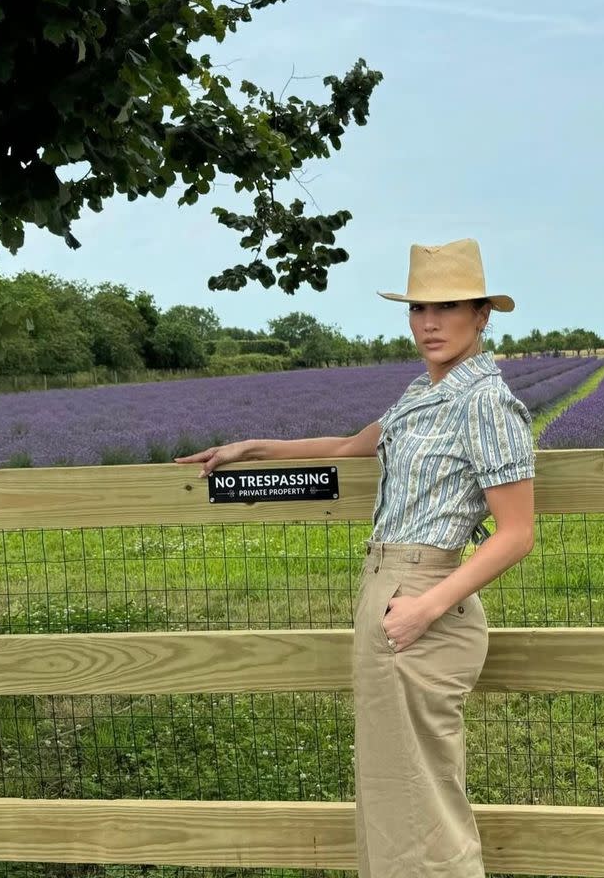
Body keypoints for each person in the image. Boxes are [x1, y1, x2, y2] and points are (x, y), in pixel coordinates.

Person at [175, 237, 536, 878]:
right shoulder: (422, 393)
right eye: (419, 309)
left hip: (423, 598)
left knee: (422, 803)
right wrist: (252, 448)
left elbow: (517, 533)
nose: (430, 323)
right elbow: (351, 445)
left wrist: (425, 606)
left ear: (482, 316)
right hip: (392, 592)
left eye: (449, 307)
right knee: (392, 794)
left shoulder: (486, 401)